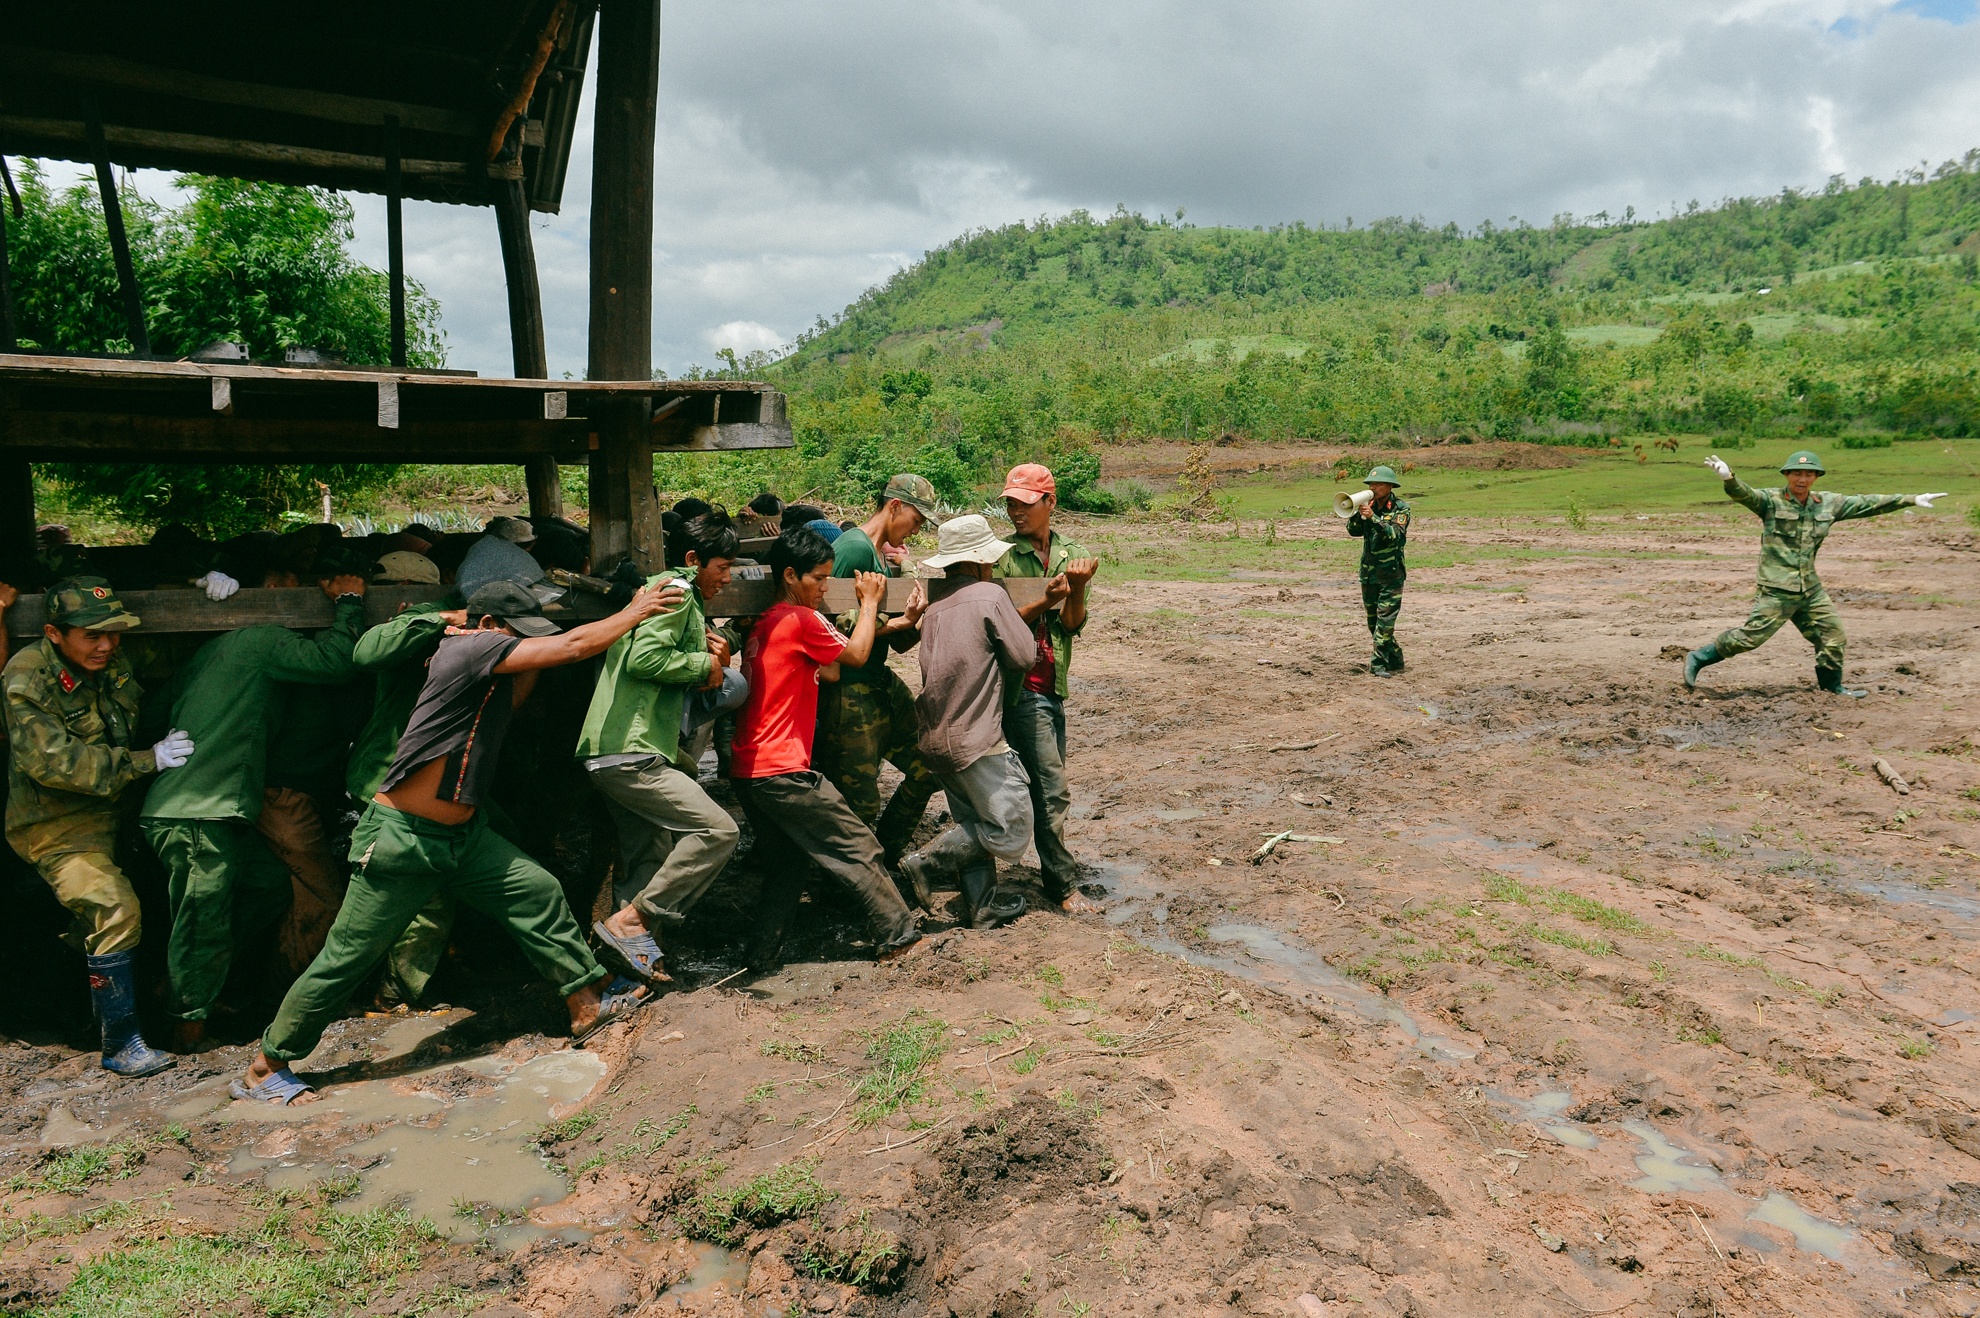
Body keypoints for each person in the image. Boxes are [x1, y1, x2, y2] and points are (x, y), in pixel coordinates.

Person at [233, 576, 684, 1104]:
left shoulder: (489, 668)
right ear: (487, 626)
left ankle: (586, 1005)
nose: (524, 645)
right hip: (404, 840)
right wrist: (636, 608)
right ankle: (268, 1065)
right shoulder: (467, 649)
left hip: (462, 837)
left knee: (535, 890)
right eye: (516, 634)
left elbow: (538, 668)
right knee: (347, 958)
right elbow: (571, 645)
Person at [141, 571, 369, 1049]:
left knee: (265, 887)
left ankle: (197, 985)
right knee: (202, 920)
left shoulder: (208, 652)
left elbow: (157, 710)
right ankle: (187, 1027)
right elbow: (335, 661)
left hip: (209, 804)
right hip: (200, 807)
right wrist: (349, 601)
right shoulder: (262, 639)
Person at [3, 578, 190, 1077]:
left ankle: (88, 1004)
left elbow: (177, 650)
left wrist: (211, 583)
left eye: (114, 634)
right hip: (57, 826)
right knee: (114, 907)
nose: (107, 645)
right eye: (92, 635)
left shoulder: (111, 659)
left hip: (119, 813)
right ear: (54, 633)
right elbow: (53, 763)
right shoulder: (28, 677)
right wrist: (144, 761)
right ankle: (121, 1043)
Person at [731, 527, 923, 964]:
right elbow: (854, 658)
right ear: (790, 576)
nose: (824, 587)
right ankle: (900, 938)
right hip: (783, 771)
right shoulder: (799, 619)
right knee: (859, 845)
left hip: (749, 771)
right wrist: (870, 603)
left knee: (787, 867)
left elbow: (831, 671)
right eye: (818, 579)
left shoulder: (765, 623)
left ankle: (760, 955)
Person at [578, 512, 748, 985]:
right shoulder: (673, 593)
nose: (728, 577)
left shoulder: (673, 592)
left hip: (620, 747)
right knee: (718, 831)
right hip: (632, 750)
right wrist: (703, 665)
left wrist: (715, 659)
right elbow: (646, 657)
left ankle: (630, 971)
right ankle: (632, 921)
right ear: (694, 560)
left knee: (647, 855)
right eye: (723, 566)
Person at [1685, 451, 1944, 697]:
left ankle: (1832, 689)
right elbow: (1746, 495)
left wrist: (1911, 499)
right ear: (1786, 475)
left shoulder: (1828, 504)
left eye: (1809, 474)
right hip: (1777, 590)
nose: (1802, 479)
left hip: (1810, 590)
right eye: (1797, 473)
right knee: (1749, 639)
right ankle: (1700, 657)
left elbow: (1866, 503)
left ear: (1817, 477)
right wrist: (1729, 478)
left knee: (1833, 637)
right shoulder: (1771, 501)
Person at [897, 516, 1040, 928]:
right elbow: (1023, 657)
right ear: (980, 561)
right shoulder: (989, 595)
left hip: (937, 736)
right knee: (1010, 827)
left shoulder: (936, 607)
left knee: (971, 821)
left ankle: (982, 908)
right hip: (976, 735)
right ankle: (925, 862)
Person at [814, 474, 940, 872]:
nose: (916, 531)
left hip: (876, 680)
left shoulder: (879, 556)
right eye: (916, 521)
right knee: (859, 805)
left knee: (928, 767)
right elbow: (825, 625)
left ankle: (883, 859)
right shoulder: (853, 548)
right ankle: (851, 884)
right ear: (895, 506)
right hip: (849, 692)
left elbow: (890, 635)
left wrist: (911, 621)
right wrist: (897, 622)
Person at [997, 464, 1101, 915]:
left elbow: (1072, 625)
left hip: (1052, 685)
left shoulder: (1072, 555)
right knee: (1051, 788)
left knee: (1039, 785)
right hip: (1021, 688)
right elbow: (998, 622)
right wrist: (1050, 598)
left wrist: (1075, 591)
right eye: (1011, 503)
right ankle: (1062, 884)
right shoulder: (1001, 557)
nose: (1015, 511)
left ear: (1050, 503)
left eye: (1024, 502)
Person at [1345, 465, 1410, 677]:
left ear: (1390, 486)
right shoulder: (1369, 505)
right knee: (1373, 623)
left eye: (1378, 484)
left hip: (1391, 575)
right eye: (1371, 484)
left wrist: (1373, 517)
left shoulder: (1400, 508)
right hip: (1369, 574)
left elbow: (1395, 535)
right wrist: (1357, 514)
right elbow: (1353, 531)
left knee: (1385, 623)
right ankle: (1396, 658)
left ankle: (1378, 665)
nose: (1373, 487)